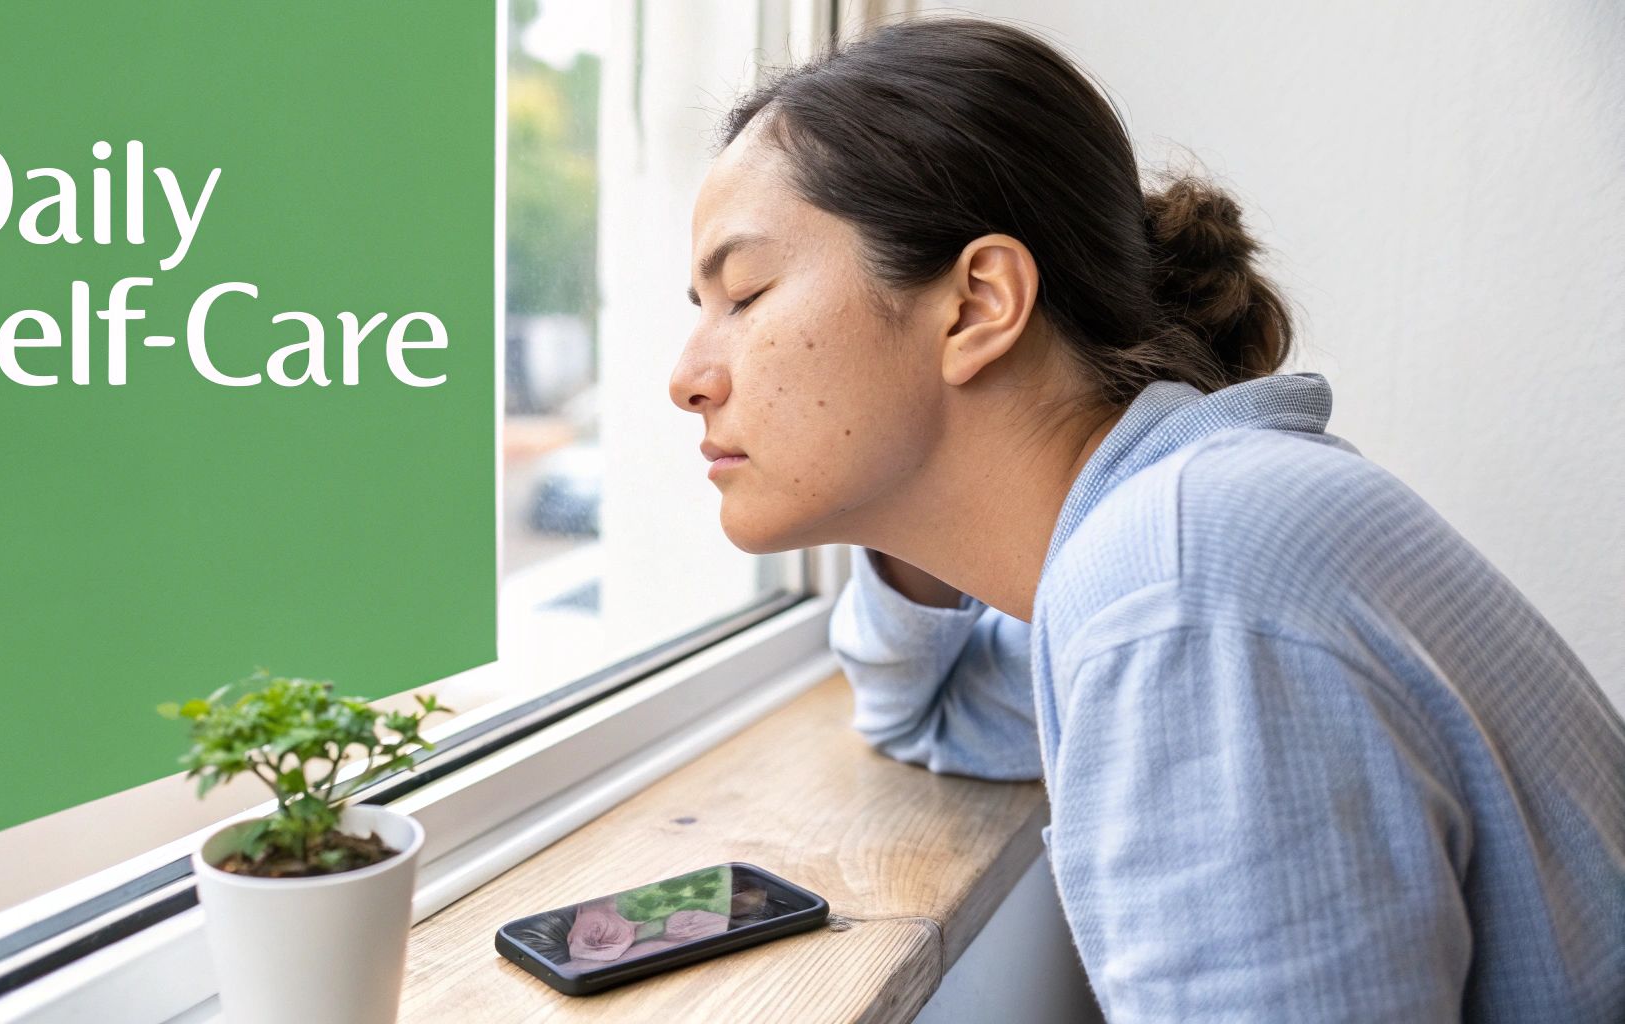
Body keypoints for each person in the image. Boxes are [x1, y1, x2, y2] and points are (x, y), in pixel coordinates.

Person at [667, 15, 1625, 1022]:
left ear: (977, 304)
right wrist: (909, 513)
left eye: (745, 293)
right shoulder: (1164, 530)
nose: (686, 377)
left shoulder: (1178, 590)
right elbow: (932, 709)